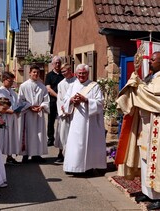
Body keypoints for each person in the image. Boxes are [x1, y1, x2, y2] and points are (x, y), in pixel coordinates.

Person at [115, 51, 160, 210]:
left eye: (153, 60)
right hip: (144, 125)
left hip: (157, 127)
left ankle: (158, 196)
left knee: (157, 162)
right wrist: (137, 77)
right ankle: (148, 192)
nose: (151, 62)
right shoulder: (151, 78)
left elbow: (151, 97)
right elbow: (142, 92)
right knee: (145, 161)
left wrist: (137, 86)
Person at [63, 64, 107, 174]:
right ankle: (74, 167)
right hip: (76, 120)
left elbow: (100, 103)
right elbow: (65, 100)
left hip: (90, 121)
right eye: (80, 73)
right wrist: (72, 100)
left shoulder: (94, 86)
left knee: (89, 143)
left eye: (84, 73)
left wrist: (86, 100)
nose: (82, 75)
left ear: (88, 73)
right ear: (76, 74)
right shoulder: (72, 85)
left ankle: (89, 167)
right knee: (75, 144)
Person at [17, 65, 49, 163]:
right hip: (28, 114)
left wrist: (41, 106)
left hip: (38, 115)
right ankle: (25, 155)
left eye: (38, 73)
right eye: (34, 72)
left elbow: (46, 100)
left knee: (38, 134)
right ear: (30, 73)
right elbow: (20, 100)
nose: (36, 74)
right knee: (27, 134)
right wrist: (29, 106)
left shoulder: (42, 87)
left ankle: (36, 155)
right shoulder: (24, 86)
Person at [0, 72, 20, 165]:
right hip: (2, 118)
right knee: (1, 137)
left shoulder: (12, 92)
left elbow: (16, 103)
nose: (12, 83)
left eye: (13, 81)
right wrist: (9, 110)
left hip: (12, 118)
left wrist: (18, 109)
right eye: (10, 81)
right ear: (4, 80)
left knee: (11, 137)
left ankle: (9, 157)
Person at [54, 63, 76, 164]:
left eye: (65, 71)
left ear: (70, 70)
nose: (63, 73)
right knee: (62, 134)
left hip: (75, 113)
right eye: (61, 72)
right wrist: (63, 111)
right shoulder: (61, 84)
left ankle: (73, 154)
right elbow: (60, 100)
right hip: (64, 113)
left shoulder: (77, 82)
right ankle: (60, 153)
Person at [45, 56, 64, 146]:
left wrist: (62, 98)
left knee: (62, 119)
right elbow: (48, 88)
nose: (57, 64)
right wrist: (58, 96)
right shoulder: (49, 75)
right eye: (56, 63)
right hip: (52, 101)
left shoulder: (63, 75)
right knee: (51, 120)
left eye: (59, 63)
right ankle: (50, 138)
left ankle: (61, 138)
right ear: (52, 64)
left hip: (63, 101)